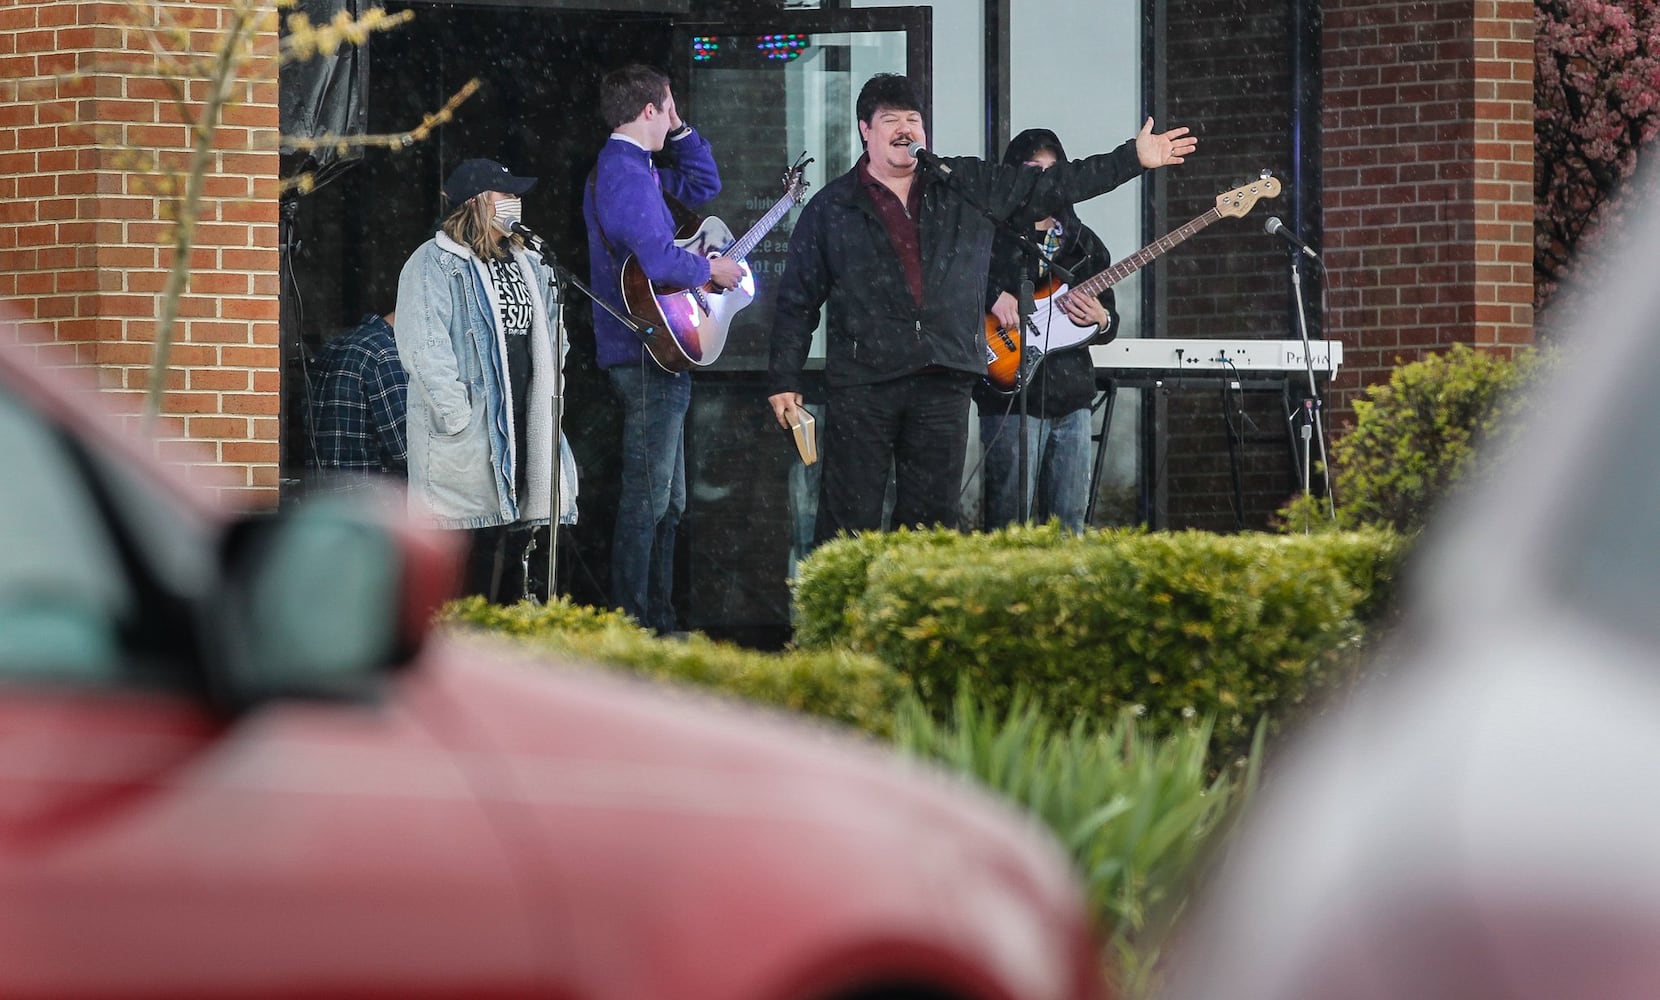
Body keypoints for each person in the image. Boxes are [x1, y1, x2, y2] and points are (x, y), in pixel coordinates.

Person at [766, 73, 1195, 546]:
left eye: (914, 119)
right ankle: (845, 619)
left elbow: (1054, 185)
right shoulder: (832, 208)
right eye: (891, 120)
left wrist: (1132, 158)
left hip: (944, 377)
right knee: (851, 520)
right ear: (866, 130)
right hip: (865, 382)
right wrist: (784, 376)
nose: (905, 129)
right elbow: (797, 300)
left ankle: (918, 620)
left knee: (929, 528)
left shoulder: (961, 184)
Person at [583, 63, 744, 633]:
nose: (673, 116)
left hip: (655, 352)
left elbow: (703, 187)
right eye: (669, 108)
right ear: (650, 108)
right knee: (647, 502)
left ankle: (659, 616)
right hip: (644, 355)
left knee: (667, 502)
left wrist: (681, 134)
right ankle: (636, 622)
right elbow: (658, 261)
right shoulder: (625, 174)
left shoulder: (637, 168)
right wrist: (712, 269)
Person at [395, 157, 578, 603]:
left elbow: (554, 337)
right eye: (506, 194)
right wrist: (458, 416)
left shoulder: (529, 261)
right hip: (471, 427)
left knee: (512, 541)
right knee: (468, 547)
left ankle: (504, 639)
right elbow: (424, 346)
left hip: (519, 420)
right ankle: (463, 645)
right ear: (477, 202)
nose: (516, 202)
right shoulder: (434, 262)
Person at [975, 128, 1120, 533]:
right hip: (1007, 391)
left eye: (1052, 171)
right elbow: (951, 282)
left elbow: (1109, 322)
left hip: (1072, 397)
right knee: (1007, 523)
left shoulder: (1084, 245)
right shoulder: (991, 234)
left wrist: (1101, 319)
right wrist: (991, 296)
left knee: (1068, 524)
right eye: (1032, 170)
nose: (1043, 180)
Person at [307, 309, 408, 495]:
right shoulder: (384, 354)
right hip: (371, 505)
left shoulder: (334, 344)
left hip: (322, 500)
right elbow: (407, 450)